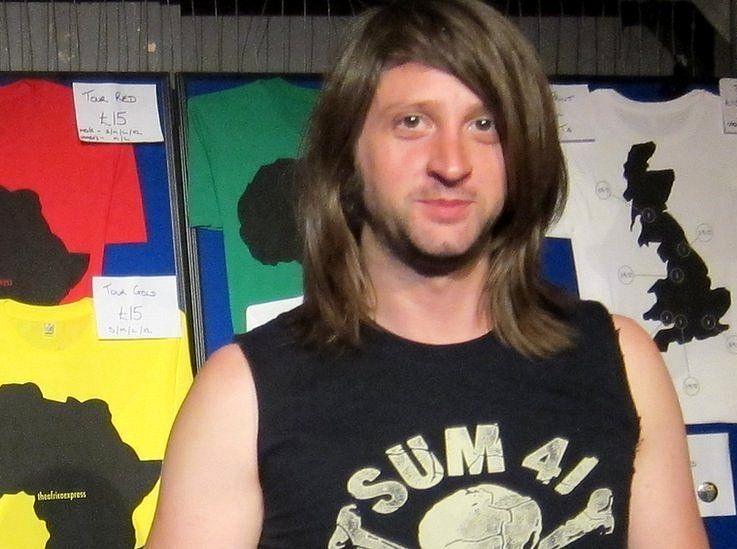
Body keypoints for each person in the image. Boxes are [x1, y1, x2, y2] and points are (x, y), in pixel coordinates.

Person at [147, 0, 708, 546]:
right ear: (347, 157)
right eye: (412, 122)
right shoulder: (243, 392)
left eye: (484, 124)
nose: (451, 162)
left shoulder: (621, 360)